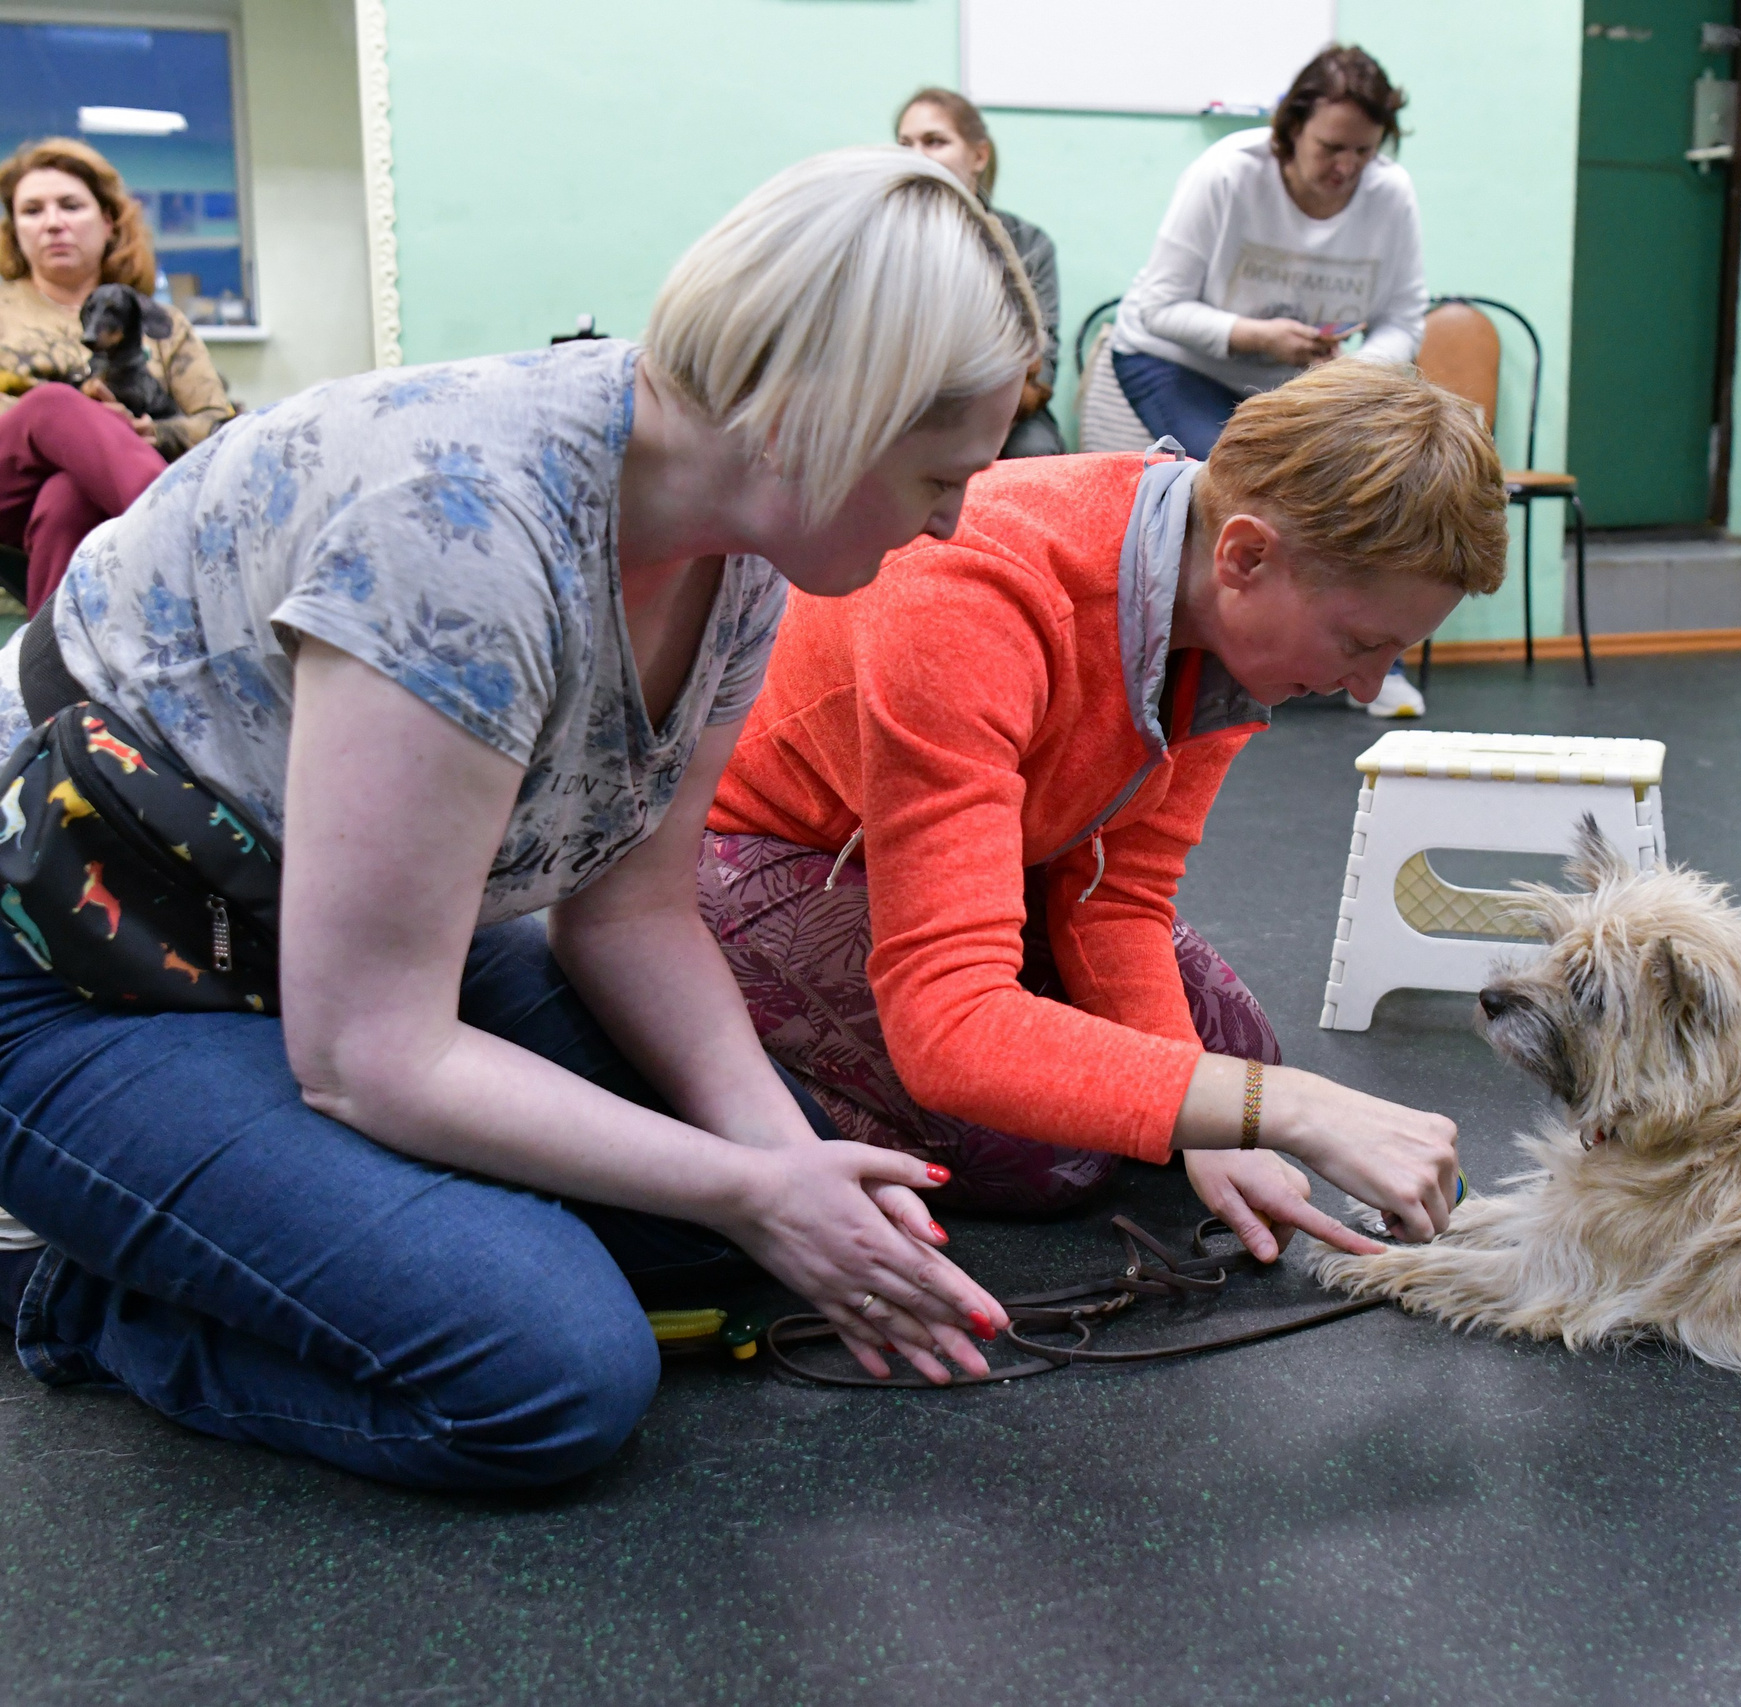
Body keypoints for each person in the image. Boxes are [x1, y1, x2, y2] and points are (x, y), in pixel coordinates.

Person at [0, 148, 1043, 1490]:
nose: (956, 519)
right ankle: (80, 1296)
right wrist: (741, 1183)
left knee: (753, 1203)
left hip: (308, 938)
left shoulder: (739, 542)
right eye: (935, 474)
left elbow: (634, 907)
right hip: (77, 964)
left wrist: (791, 1173)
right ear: (820, 419)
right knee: (545, 1369)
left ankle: (266, 1215)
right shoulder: (463, 532)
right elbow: (370, 1053)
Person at [699, 359, 1498, 1269]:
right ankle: (704, 1063)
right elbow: (951, 1026)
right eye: (1360, 643)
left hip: (985, 850)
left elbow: (1117, 893)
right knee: (1050, 1151)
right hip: (774, 844)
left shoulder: (1224, 628)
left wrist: (1215, 1119)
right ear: (1244, 555)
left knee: (1231, 1057)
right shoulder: (972, 593)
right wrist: (1288, 1105)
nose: (1364, 685)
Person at [1109, 45, 1433, 718]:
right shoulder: (1226, 174)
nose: (1346, 168)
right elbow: (1155, 309)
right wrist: (1258, 336)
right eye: (1331, 147)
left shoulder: (1391, 194)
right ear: (1290, 133)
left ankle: (1373, 664)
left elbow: (1404, 320)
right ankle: (1210, 672)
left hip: (1299, 385)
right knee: (1246, 490)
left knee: (1370, 487)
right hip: (1176, 361)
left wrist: (1352, 374)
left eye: (1364, 152)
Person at [0, 138, 235, 612]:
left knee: (68, 497)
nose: (52, 223)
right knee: (55, 405)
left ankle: (55, 672)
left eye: (70, 206)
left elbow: (219, 425)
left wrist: (150, 432)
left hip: (92, 497)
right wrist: (85, 424)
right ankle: (194, 547)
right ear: (15, 230)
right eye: (31, 210)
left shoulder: (162, 325)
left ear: (109, 222)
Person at [895, 87, 1063, 460]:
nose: (916, 157)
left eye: (935, 141)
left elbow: (1043, 360)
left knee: (1036, 453)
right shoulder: (885, 239)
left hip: (1008, 406)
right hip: (908, 404)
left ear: (979, 155)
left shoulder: (1028, 242)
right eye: (905, 144)